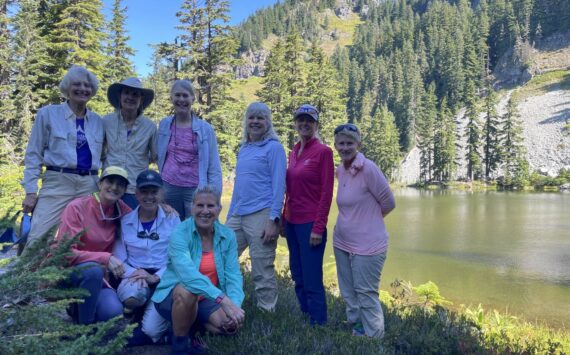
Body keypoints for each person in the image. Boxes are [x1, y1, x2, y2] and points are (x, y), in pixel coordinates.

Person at [145, 185, 245, 354]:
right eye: (200, 205)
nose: (205, 211)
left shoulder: (228, 235)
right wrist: (224, 301)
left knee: (229, 327)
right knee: (188, 290)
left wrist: (234, 307)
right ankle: (180, 346)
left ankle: (187, 328)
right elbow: (188, 276)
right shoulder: (180, 232)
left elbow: (233, 275)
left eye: (210, 206)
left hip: (206, 297)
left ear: (219, 209)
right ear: (192, 207)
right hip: (176, 293)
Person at [21, 65, 103, 250]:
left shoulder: (98, 121)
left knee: (86, 236)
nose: (83, 89)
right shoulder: (48, 114)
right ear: (67, 87)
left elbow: (105, 157)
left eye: (87, 85)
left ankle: (77, 276)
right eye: (77, 84)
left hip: (90, 184)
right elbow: (33, 154)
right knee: (40, 235)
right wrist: (31, 191)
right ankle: (29, 276)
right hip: (57, 182)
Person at [332, 123, 396, 338]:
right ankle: (358, 329)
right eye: (341, 143)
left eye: (349, 143)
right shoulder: (341, 170)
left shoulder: (369, 168)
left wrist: (369, 222)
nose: (345, 147)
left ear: (358, 144)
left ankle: (375, 338)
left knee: (366, 293)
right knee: (349, 292)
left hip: (369, 245)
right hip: (342, 241)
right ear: (335, 145)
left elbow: (389, 202)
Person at [226, 102, 286, 312]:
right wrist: (229, 218)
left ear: (268, 123)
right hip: (238, 215)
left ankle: (266, 312)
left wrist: (273, 220)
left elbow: (280, 186)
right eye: (251, 117)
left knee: (262, 268)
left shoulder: (274, 148)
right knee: (223, 258)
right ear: (246, 122)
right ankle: (226, 305)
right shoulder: (244, 149)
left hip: (262, 215)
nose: (255, 122)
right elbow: (238, 188)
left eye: (260, 118)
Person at [55, 166, 131, 324]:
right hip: (69, 273)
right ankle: (85, 330)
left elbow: (143, 216)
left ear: (124, 190)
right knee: (93, 270)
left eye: (120, 184)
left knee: (112, 312)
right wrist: (105, 258)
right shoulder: (77, 207)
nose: (114, 187)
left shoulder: (121, 209)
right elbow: (64, 253)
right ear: (99, 183)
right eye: (110, 181)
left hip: (100, 278)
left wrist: (163, 208)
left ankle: (79, 307)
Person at [282, 104, 334, 325]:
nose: (304, 124)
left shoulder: (324, 152)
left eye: (309, 121)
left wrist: (318, 227)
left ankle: (318, 324)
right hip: (292, 223)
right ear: (295, 124)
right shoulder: (294, 151)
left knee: (312, 279)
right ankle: (306, 317)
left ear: (316, 125)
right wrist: (284, 219)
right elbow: (290, 190)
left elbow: (327, 192)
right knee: (298, 275)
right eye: (300, 120)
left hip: (310, 224)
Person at [113, 169, 180, 312]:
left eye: (154, 192)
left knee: (152, 329)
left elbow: (179, 255)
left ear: (162, 193)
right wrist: (135, 273)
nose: (149, 196)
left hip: (165, 273)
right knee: (131, 297)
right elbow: (120, 258)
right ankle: (137, 309)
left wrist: (156, 277)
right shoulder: (125, 222)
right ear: (136, 193)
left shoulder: (172, 219)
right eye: (144, 191)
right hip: (136, 274)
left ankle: (151, 311)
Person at [157, 80, 222, 220]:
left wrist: (216, 199)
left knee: (196, 230)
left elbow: (214, 166)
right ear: (171, 98)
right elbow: (159, 155)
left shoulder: (205, 129)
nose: (181, 100)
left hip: (195, 189)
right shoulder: (164, 125)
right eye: (177, 95)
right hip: (168, 188)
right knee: (171, 229)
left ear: (193, 98)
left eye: (185, 96)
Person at [102, 77, 158, 209]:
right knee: (104, 227)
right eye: (126, 93)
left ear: (141, 99)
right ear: (120, 96)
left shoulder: (150, 127)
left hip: (135, 188)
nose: (130, 97)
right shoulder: (106, 121)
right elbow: (98, 151)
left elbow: (156, 157)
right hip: (109, 186)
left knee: (131, 228)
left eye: (135, 94)